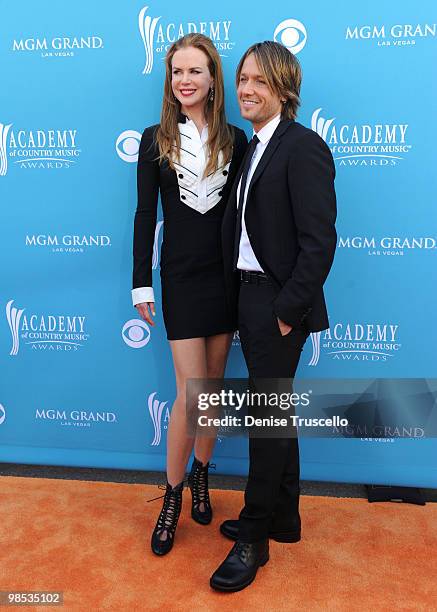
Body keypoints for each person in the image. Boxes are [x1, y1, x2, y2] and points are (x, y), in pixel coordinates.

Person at [210, 41, 337, 591]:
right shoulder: (252, 148)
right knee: (276, 414)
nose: (246, 90)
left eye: (259, 81)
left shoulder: (302, 147)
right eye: (242, 79)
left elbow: (319, 243)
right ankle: (284, 515)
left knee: (266, 421)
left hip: (278, 304)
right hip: (249, 297)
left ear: (285, 88)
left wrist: (288, 311)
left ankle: (254, 538)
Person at [132, 33, 247, 556]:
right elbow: (143, 217)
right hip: (179, 277)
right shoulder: (154, 139)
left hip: (227, 279)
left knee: (214, 389)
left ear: (212, 78)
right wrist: (141, 282)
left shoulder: (237, 140)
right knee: (189, 394)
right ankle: (172, 496)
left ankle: (202, 473)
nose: (185, 80)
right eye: (177, 71)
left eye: (195, 71)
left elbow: (246, 219)